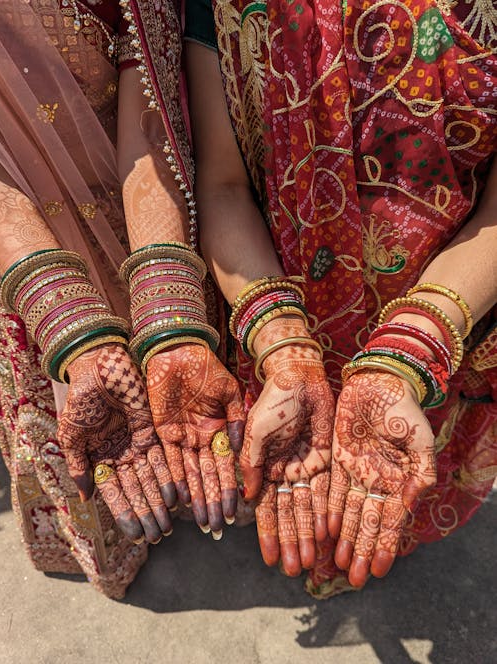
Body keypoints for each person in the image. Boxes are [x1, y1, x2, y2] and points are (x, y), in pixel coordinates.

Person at [184, 0, 497, 596]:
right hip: (278, 296)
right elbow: (222, 185)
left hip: (446, 308)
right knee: (290, 463)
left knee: (395, 475)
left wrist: (408, 350)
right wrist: (281, 344)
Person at [0, 0, 243, 598]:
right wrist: (75, 331)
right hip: (19, 251)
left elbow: (149, 126)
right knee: (93, 430)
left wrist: (171, 319)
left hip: (145, 214)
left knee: (179, 406)